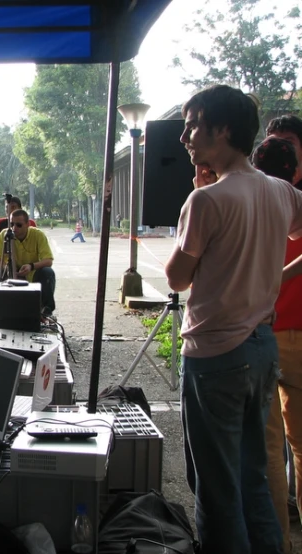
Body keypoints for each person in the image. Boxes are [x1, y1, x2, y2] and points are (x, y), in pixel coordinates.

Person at [164, 85, 302, 554]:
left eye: (194, 124)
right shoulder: (281, 192)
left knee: (217, 489)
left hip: (215, 355)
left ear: (223, 130)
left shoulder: (205, 201)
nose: (185, 136)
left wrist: (198, 195)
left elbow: (178, 278)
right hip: (261, 346)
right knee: (253, 479)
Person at [253, 132, 302, 553]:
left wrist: (274, 280)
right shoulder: (293, 200)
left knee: (268, 451)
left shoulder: (253, 198)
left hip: (263, 333)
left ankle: (278, 545)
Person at [0, 209, 55, 316]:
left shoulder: (38, 235)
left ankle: (47, 310)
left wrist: (31, 266)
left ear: (27, 224)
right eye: (12, 224)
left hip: (32, 273)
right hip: (10, 273)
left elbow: (48, 261)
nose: (14, 228)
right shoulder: (4, 234)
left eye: (19, 225)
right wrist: (7, 267)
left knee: (48, 272)